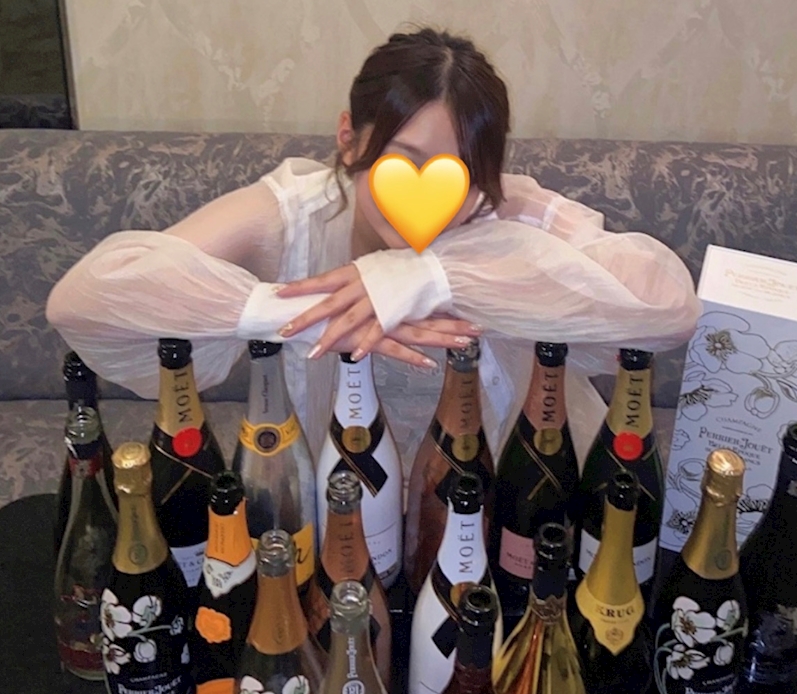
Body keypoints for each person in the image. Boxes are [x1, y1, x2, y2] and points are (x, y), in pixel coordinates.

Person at [46, 27, 701, 459]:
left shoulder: (510, 212)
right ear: (349, 139)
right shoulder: (296, 214)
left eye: (460, 171)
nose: (434, 197)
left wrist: (432, 276)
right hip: (343, 500)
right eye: (402, 158)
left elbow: (670, 308)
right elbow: (85, 298)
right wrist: (303, 313)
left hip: (513, 493)